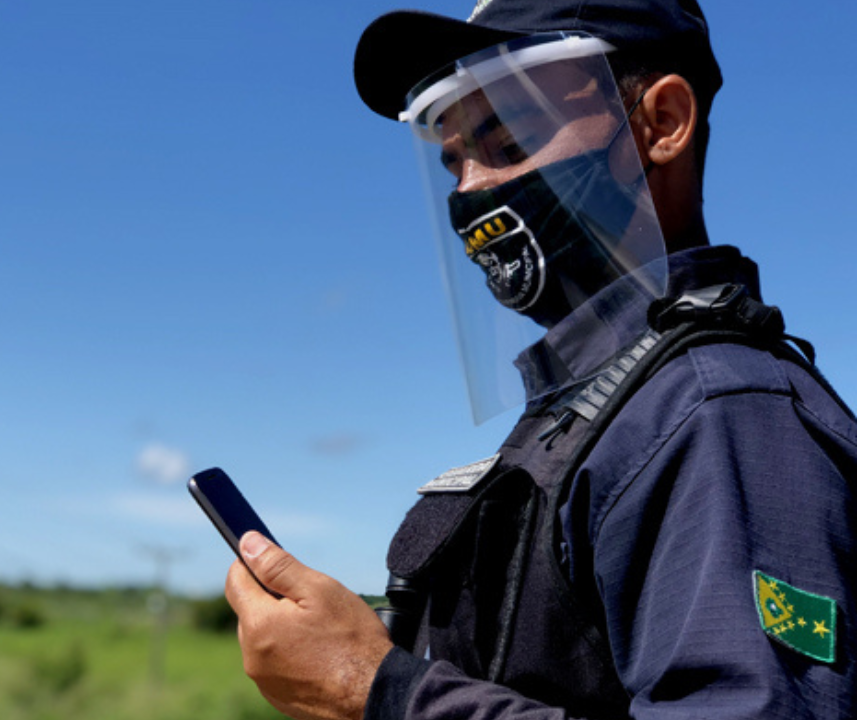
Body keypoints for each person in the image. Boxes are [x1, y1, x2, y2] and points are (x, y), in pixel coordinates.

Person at [224, 1, 857, 718]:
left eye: (510, 140)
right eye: (455, 159)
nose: (469, 188)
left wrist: (375, 692)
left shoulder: (719, 411)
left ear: (662, 123)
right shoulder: (611, 406)